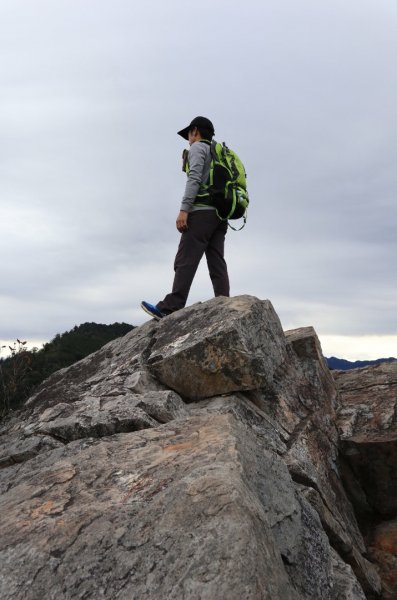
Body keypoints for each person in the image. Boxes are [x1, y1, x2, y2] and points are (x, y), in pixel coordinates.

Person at [141, 116, 230, 320]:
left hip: (201, 213)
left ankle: (171, 306)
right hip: (220, 215)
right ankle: (225, 305)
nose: (188, 139)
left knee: (185, 259)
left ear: (195, 131)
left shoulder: (198, 148)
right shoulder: (219, 152)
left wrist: (184, 210)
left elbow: (195, 178)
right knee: (216, 260)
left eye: (189, 135)